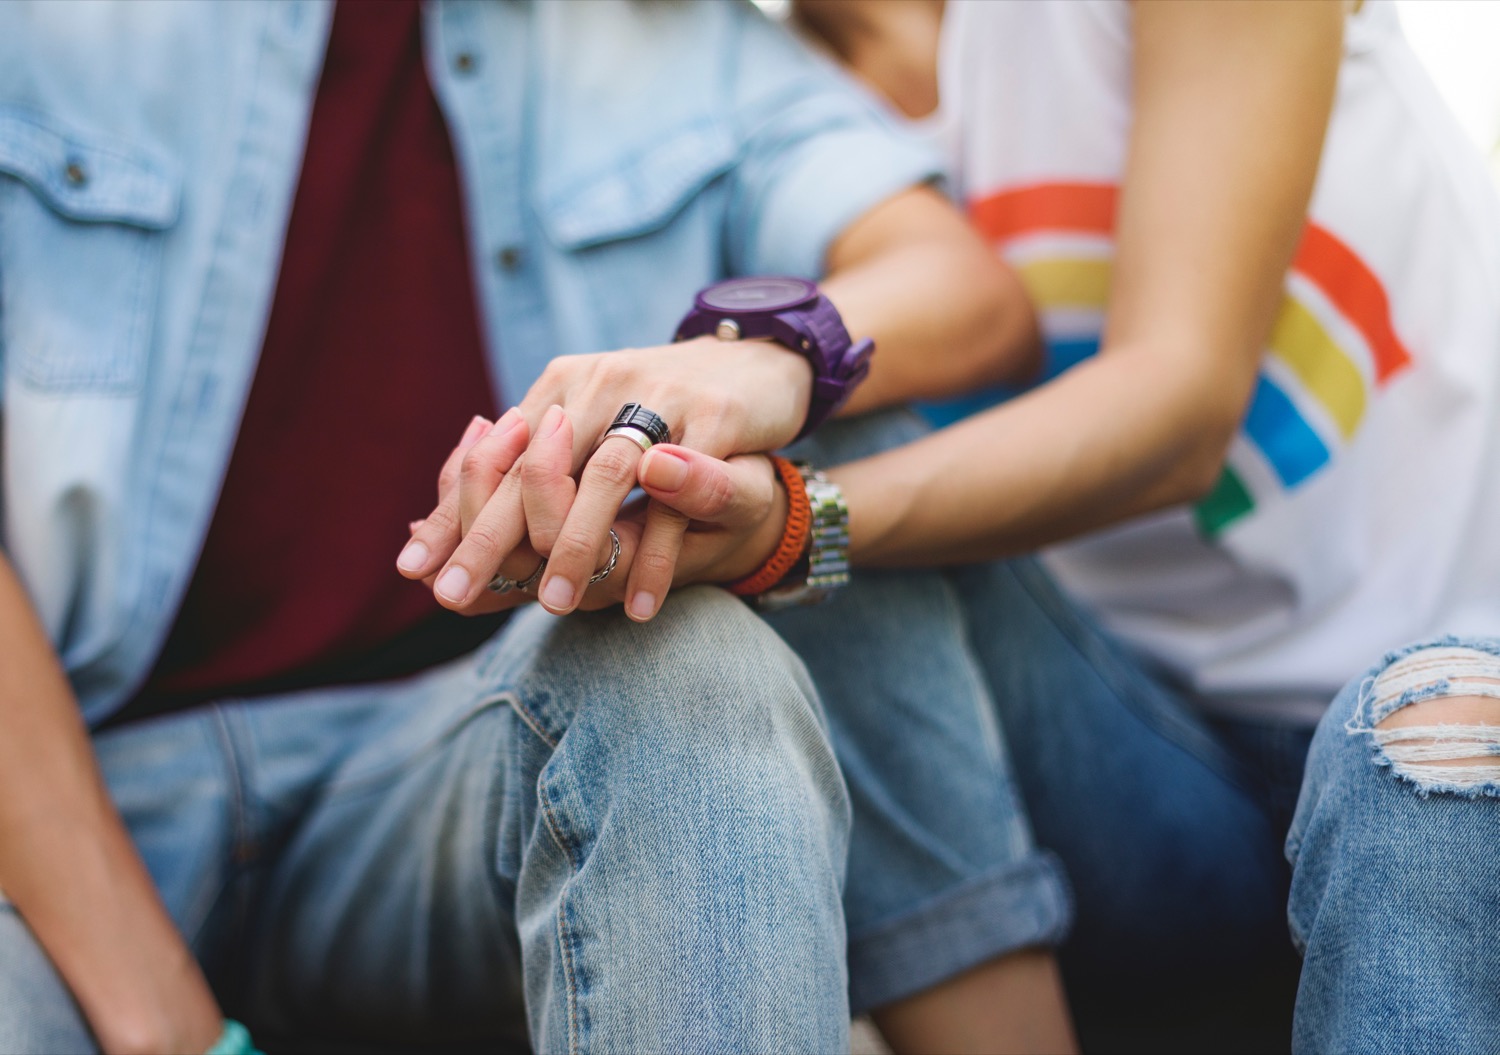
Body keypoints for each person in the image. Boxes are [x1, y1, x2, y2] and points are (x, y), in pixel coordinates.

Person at [428, 1, 1500, 1051]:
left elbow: (1182, 408)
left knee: (1415, 750)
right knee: (765, 485)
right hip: (1132, 758)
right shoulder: (768, 104)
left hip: (1438, 685)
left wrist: (796, 522)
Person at [0, 1, 1069, 1052]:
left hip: (442, 776)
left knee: (701, 654)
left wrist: (767, 357)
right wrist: (164, 1021)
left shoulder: (676, 49)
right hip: (62, 800)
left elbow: (966, 290)